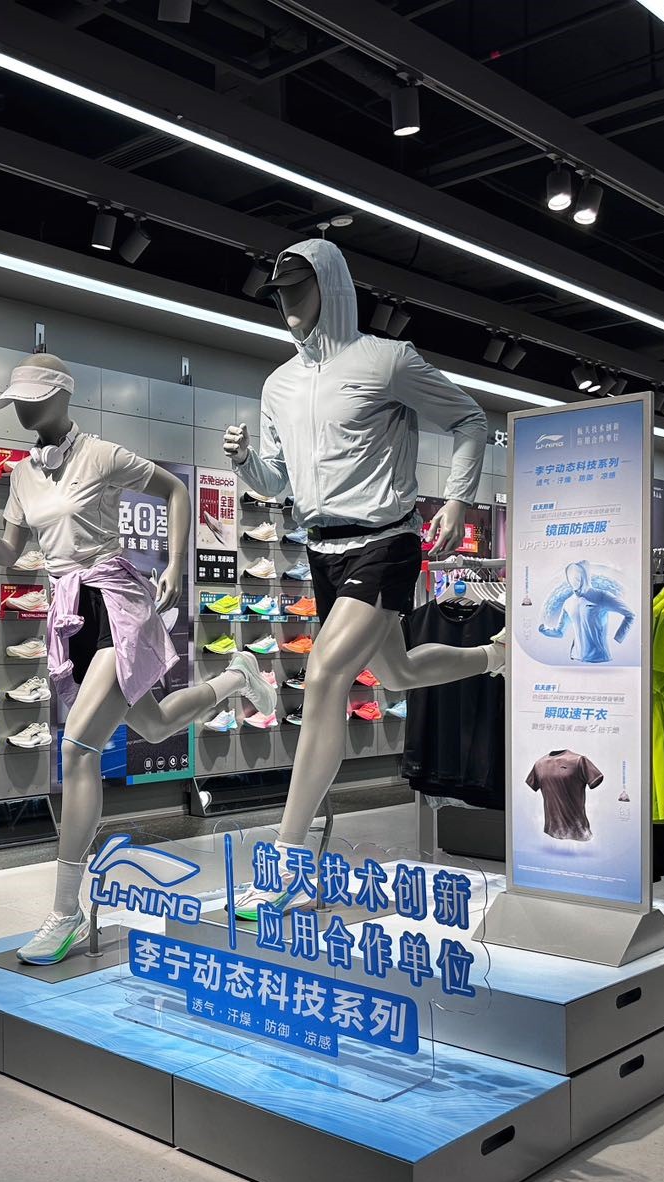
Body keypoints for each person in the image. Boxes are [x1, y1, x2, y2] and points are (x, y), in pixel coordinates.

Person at [0, 353, 275, 963]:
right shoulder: (20, 475)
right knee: (153, 723)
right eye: (16, 400)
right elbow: (12, 554)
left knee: (77, 749)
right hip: (68, 612)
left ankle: (65, 912)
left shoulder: (101, 454)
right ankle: (238, 676)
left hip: (115, 603)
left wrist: (175, 563)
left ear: (61, 396)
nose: (21, 409)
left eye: (30, 398)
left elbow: (176, 490)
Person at [223, 238, 505, 912]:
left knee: (323, 676)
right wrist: (244, 463)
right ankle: (496, 656)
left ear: (330, 286)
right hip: (321, 549)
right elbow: (276, 481)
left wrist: (457, 500)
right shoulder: (278, 384)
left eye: (299, 289)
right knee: (397, 672)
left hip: (386, 541)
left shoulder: (387, 360)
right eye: (279, 294)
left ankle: (288, 865)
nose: (288, 306)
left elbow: (470, 421)